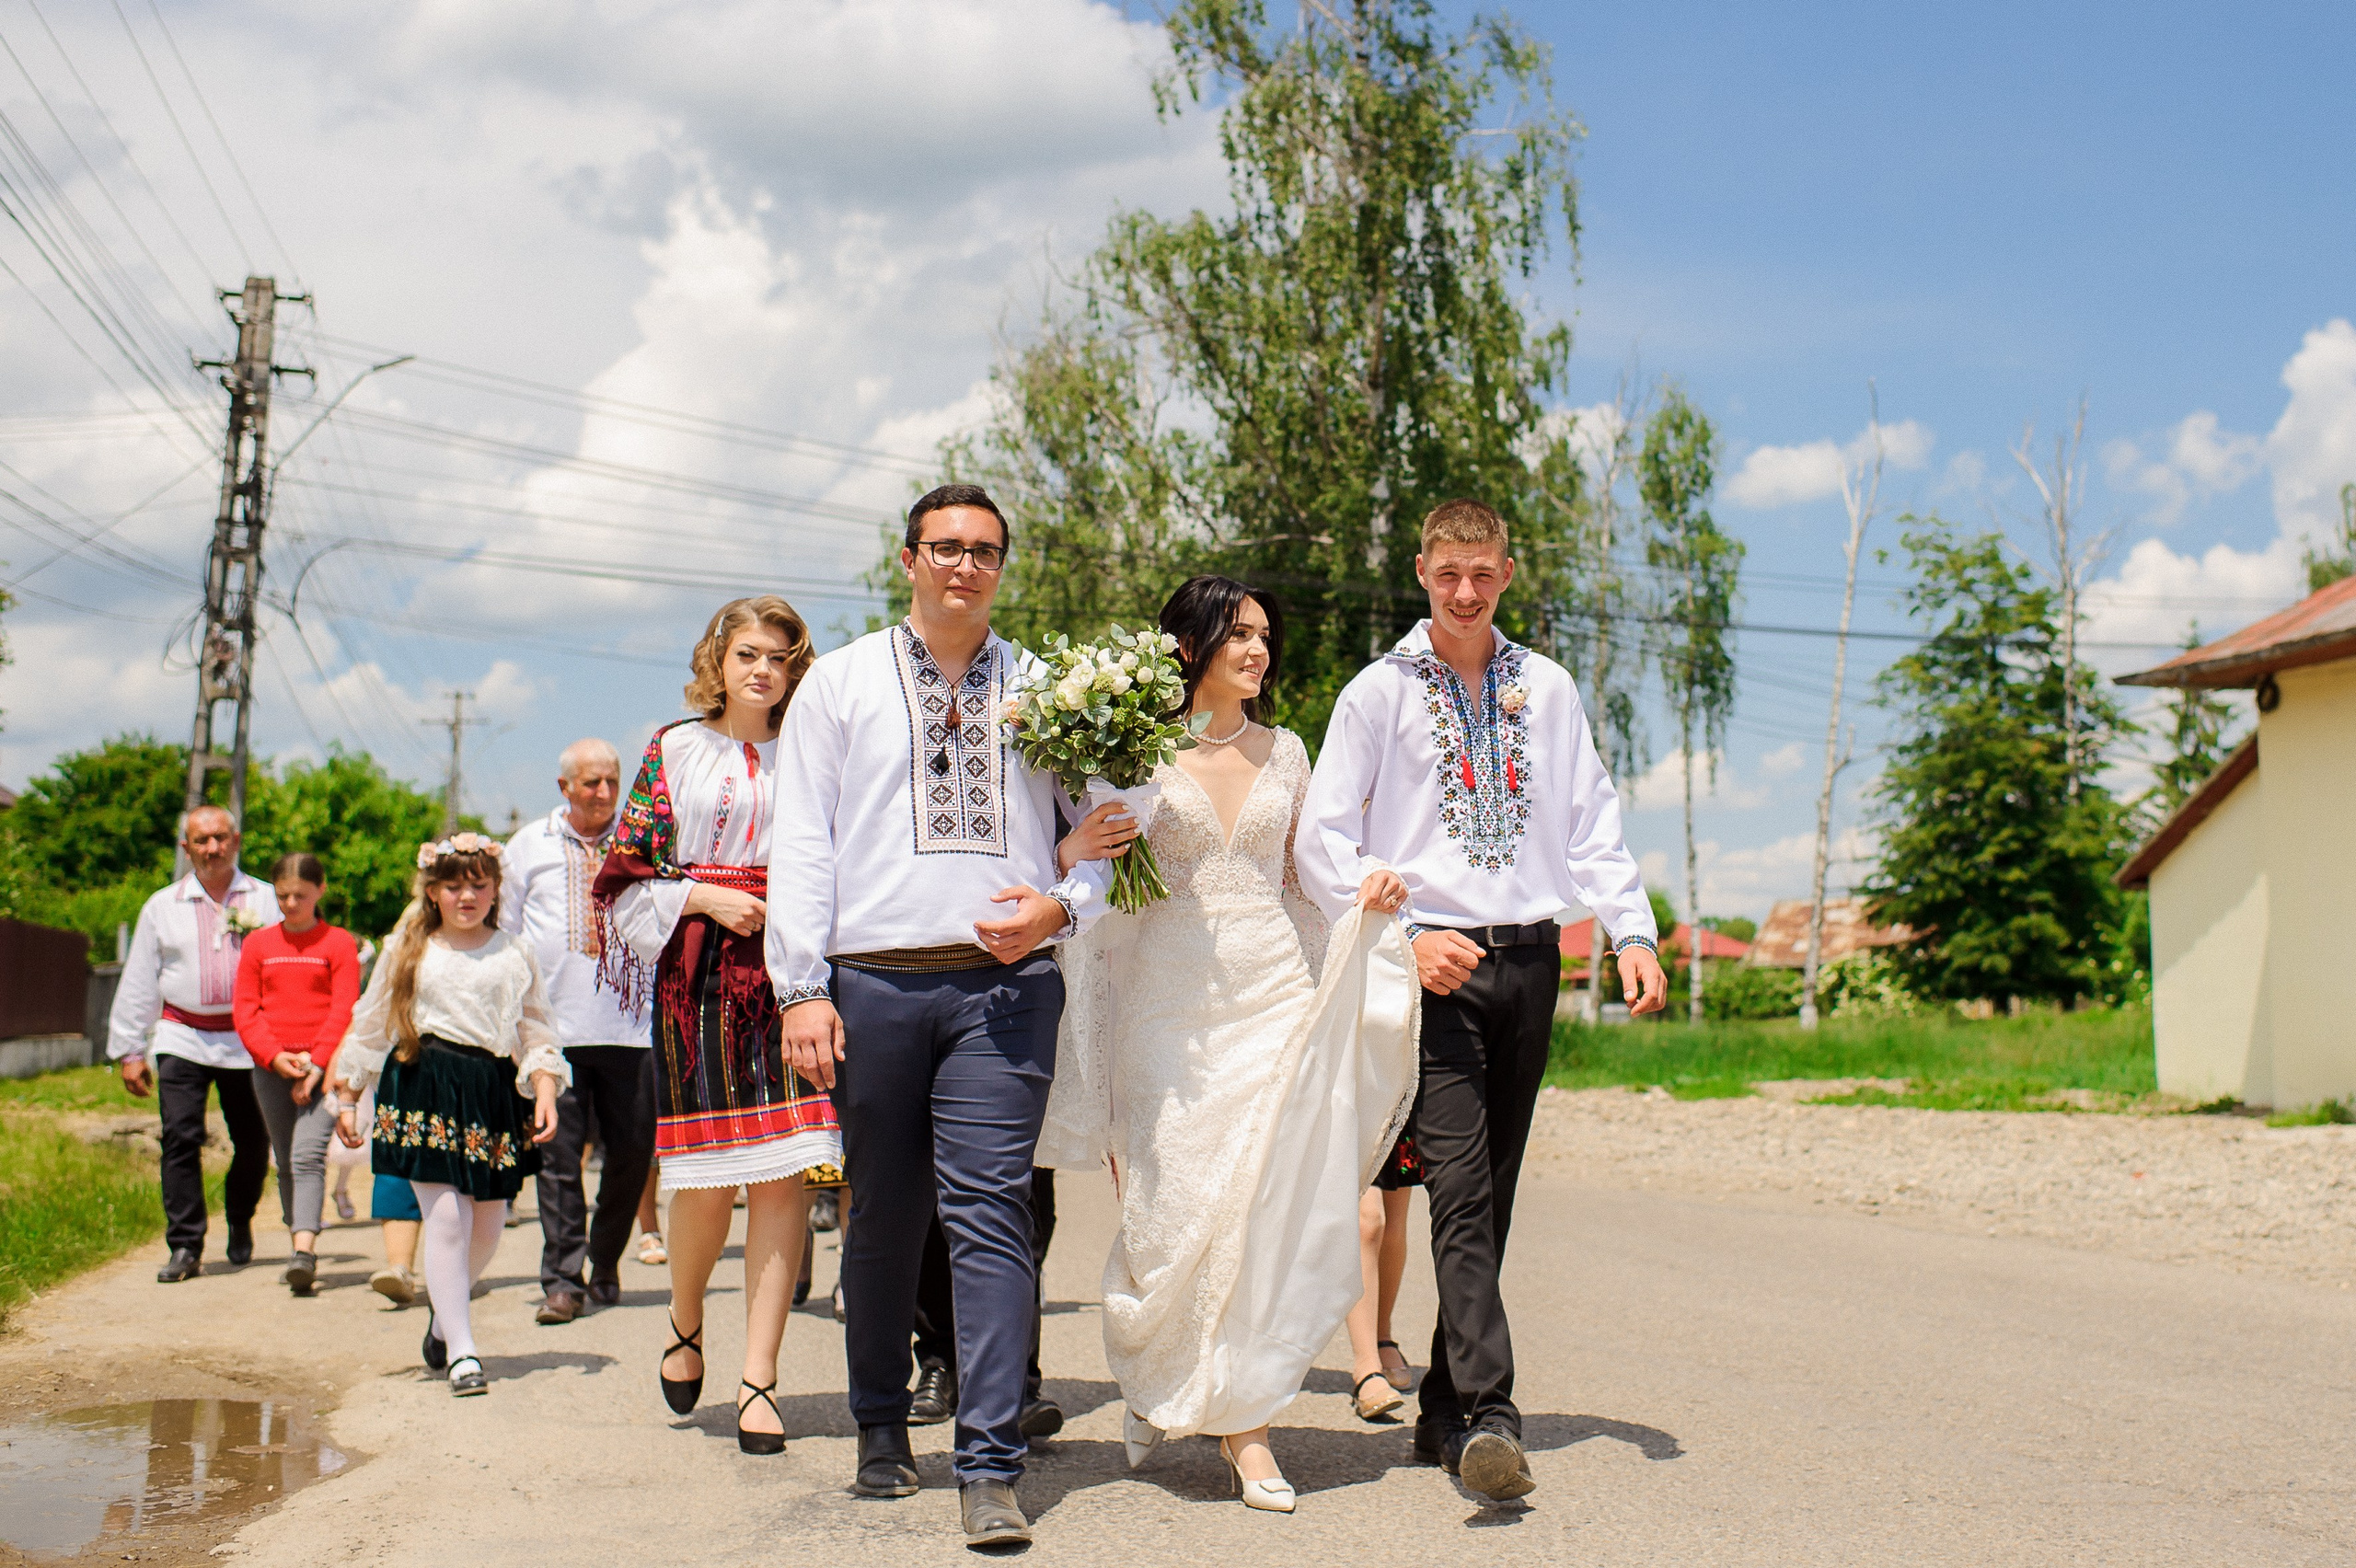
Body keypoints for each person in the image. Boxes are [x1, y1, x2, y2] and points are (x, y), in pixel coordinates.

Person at [1297, 498, 1669, 1503]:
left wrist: (1630, 931)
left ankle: (1440, 1408)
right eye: (1446, 573)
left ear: (1508, 572)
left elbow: (1591, 821)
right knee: (1457, 1185)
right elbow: (1323, 839)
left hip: (1532, 962)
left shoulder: (1545, 689)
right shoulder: (1377, 693)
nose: (1464, 592)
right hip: (1436, 970)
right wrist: (1405, 940)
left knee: (1491, 1190)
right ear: (1421, 571)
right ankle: (1492, 1415)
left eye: (1483, 574)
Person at [768, 483, 1112, 1550]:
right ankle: (879, 1422)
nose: (966, 566)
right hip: (871, 984)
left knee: (991, 1210)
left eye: (986, 551)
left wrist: (1064, 904)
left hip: (1005, 988)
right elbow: (804, 840)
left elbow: (1110, 823)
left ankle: (989, 1461)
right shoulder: (841, 683)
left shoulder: (1050, 687)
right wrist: (802, 988)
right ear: (909, 558)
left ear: (1004, 566)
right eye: (946, 548)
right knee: (883, 1212)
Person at [1037, 575, 1420, 1513]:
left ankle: (1245, 1427)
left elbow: (1305, 872)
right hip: (1165, 1001)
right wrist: (1067, 857)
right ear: (1189, 648)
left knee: (1259, 1204)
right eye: (1237, 635)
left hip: (1271, 989)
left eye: (1262, 636)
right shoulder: (1128, 750)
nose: (1256, 650)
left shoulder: (1287, 750)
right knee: (1176, 1206)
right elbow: (1090, 873)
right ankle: (1159, 1375)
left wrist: (1363, 898)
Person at [594, 595, 842, 1458]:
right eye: (746, 654)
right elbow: (621, 875)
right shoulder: (674, 748)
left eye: (778, 656)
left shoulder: (819, 755)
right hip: (696, 973)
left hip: (795, 973)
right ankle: (686, 1318)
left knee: (784, 1175)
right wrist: (703, 896)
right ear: (719, 660)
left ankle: (760, 1378)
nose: (762, 670)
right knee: (703, 1179)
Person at [333, 834, 566, 1397]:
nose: (467, 895)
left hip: (490, 1090)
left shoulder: (514, 952)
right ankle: (464, 1351)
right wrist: (347, 1093)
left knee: (487, 1224)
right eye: (454, 885)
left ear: (494, 891)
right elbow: (371, 1020)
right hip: (423, 1081)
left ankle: (443, 1318)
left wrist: (545, 1088)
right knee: (443, 1219)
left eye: (478, 884)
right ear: (433, 891)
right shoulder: (408, 948)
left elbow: (535, 1026)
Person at [502, 738, 654, 1326]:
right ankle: (563, 1281)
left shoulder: (641, 842)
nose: (605, 793)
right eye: (591, 783)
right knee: (558, 1160)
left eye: (613, 780)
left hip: (632, 1027)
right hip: (554, 1032)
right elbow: (509, 936)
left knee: (633, 1154)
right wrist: (516, 1028)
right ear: (564, 787)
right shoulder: (528, 847)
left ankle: (606, 1258)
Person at [109, 806, 281, 1283]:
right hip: (181, 1034)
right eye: (200, 841)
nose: (212, 848)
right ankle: (185, 1244)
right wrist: (129, 1050)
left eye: (220, 838)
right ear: (186, 848)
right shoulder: (162, 906)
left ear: (237, 840)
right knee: (180, 1137)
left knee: (253, 1141)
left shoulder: (266, 902)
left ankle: (240, 1215)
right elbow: (141, 978)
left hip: (249, 1038)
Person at [233, 852, 363, 1296]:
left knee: (308, 1154)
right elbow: (246, 1010)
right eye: (282, 895)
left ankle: (304, 1251)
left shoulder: (338, 944)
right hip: (271, 1067)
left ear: (320, 891)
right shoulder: (258, 945)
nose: (290, 904)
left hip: (323, 1066)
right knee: (286, 1158)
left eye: (300, 896)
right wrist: (273, 1056)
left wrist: (319, 1063)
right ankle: (298, 1241)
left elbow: (344, 1008)